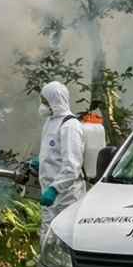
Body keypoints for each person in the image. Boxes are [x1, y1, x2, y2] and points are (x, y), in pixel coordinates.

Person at [38, 81, 87, 245]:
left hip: (67, 197)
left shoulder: (70, 126)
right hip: (50, 195)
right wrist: (40, 161)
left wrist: (54, 189)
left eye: (45, 101)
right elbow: (53, 151)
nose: (42, 105)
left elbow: (72, 166)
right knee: (47, 238)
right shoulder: (50, 122)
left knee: (64, 240)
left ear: (55, 101)